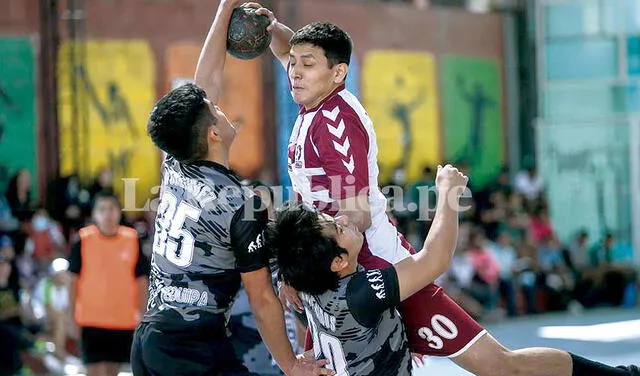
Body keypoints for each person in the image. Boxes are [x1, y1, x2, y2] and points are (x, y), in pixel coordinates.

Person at [250, 5, 640, 376]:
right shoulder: (312, 98)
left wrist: (313, 272)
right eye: (294, 64)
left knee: (501, 366)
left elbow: (356, 215)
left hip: (369, 272)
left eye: (307, 65)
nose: (295, 73)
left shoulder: (337, 126)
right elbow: (290, 52)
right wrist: (272, 28)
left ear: (338, 73)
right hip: (331, 268)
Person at [130, 2, 330, 376]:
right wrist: (290, 365)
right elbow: (262, 298)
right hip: (192, 350)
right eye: (214, 109)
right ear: (213, 133)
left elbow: (204, 80)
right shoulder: (240, 203)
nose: (220, 107)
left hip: (150, 340)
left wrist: (225, 8)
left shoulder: (175, 163)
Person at [268, 164, 466, 375]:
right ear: (338, 262)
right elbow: (436, 259)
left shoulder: (306, 284)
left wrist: (284, 277)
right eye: (339, 228)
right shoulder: (362, 292)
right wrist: (449, 194)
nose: (344, 218)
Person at [68, 192, 150, 376]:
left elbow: (142, 281)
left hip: (122, 320)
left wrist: (143, 316)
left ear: (119, 212)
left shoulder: (132, 239)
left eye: (111, 209)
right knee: (93, 370)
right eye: (102, 209)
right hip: (90, 319)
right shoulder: (83, 240)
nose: (107, 214)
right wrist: (70, 316)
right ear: (94, 214)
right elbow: (72, 281)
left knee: (111, 371)